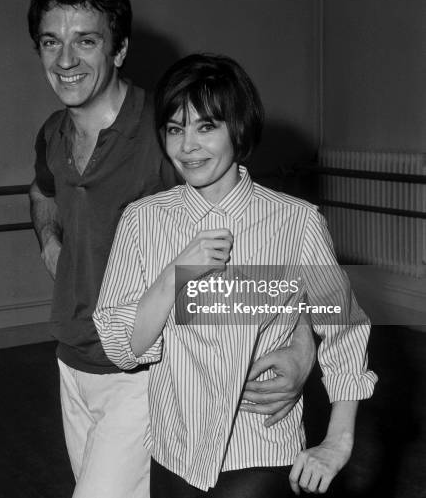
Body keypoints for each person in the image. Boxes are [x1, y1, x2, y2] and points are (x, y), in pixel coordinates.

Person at [28, 0, 316, 498]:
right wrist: (50, 242)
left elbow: (272, 245)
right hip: (73, 357)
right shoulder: (52, 131)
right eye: (51, 42)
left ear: (117, 50)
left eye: (85, 41)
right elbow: (42, 190)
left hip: (152, 373)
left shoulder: (168, 136)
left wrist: (301, 349)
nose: (65, 60)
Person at [93, 53, 378, 497]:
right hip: (174, 454)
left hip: (259, 450)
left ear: (238, 129)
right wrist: (176, 272)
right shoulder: (142, 221)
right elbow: (122, 347)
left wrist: (338, 440)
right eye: (174, 128)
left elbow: (343, 329)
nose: (187, 146)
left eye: (206, 126)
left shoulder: (294, 222)